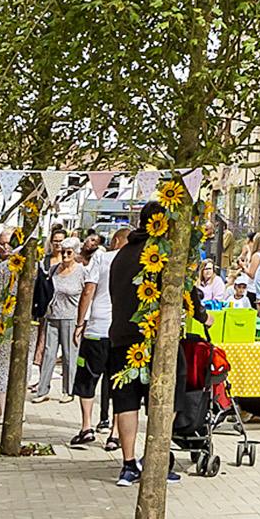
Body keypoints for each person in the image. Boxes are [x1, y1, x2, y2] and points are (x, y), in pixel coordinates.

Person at [102, 204, 156, 486]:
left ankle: (128, 463)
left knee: (125, 402)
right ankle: (154, 461)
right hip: (148, 338)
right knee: (161, 400)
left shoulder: (121, 255)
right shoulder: (156, 254)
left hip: (119, 335)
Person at [71, 233, 118, 446]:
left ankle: (86, 426)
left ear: (116, 241)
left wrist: (80, 322)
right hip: (122, 332)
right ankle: (115, 434)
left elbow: (89, 289)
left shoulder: (102, 258)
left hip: (97, 328)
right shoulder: (139, 259)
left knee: (87, 378)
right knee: (119, 383)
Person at [38, 238, 83, 403]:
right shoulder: (53, 269)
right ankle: (42, 390)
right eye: (63, 251)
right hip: (52, 316)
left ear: (75, 253)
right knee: (49, 353)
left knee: (69, 355)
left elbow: (86, 296)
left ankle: (69, 390)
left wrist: (81, 322)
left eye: (69, 252)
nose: (65, 255)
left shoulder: (81, 272)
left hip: (71, 317)